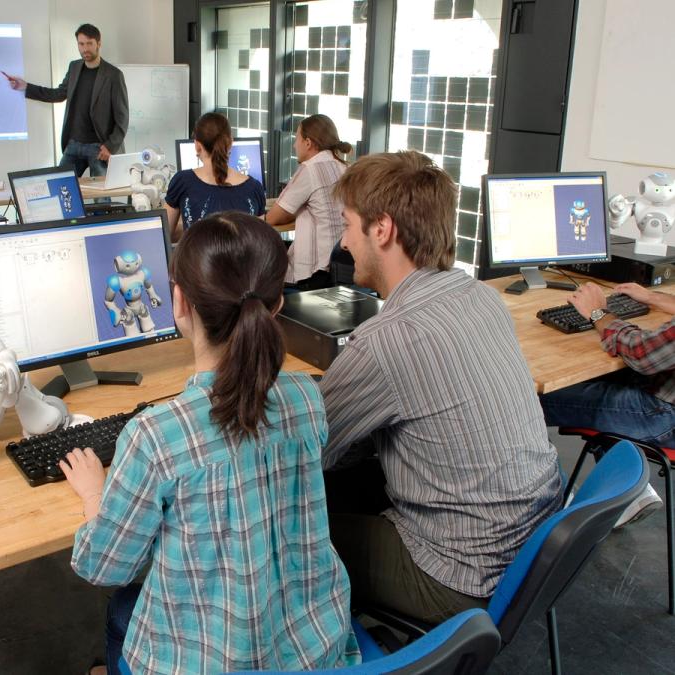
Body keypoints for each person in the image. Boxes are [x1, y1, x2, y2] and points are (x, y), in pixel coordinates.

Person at [59, 212, 360, 674]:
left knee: (123, 605)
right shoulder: (306, 398)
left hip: (212, 661)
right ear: (277, 305)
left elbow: (103, 566)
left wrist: (92, 493)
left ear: (178, 301)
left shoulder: (156, 436)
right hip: (313, 648)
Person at [320, 151, 563, 625]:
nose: (344, 242)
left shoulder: (387, 341)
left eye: (347, 225)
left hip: (457, 576)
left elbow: (310, 450)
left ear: (382, 229)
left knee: (282, 530)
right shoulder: (480, 296)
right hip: (530, 546)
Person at [541, 281, 675, 525]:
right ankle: (626, 491)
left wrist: (598, 313)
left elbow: (641, 352)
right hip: (664, 396)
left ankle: (560, 502)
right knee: (609, 371)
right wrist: (651, 297)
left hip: (662, 417)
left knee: (526, 401)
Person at [5, 24, 128, 177]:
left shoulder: (113, 75)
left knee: (101, 198)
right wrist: (26, 87)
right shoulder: (74, 67)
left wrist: (110, 146)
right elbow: (58, 94)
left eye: (89, 43)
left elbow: (122, 118)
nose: (85, 49)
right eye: (81, 44)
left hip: (99, 147)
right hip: (74, 144)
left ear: (99, 43)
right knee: (60, 186)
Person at [265, 114, 351, 289]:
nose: (295, 145)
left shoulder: (310, 169)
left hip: (315, 273)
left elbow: (274, 218)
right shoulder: (345, 168)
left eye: (297, 139)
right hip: (341, 266)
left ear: (308, 142)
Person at [164, 113, 266, 241]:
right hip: (245, 261)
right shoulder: (254, 188)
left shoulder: (182, 182)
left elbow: (163, 234)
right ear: (230, 144)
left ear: (197, 145)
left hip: (197, 260)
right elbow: (260, 243)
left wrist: (189, 226)